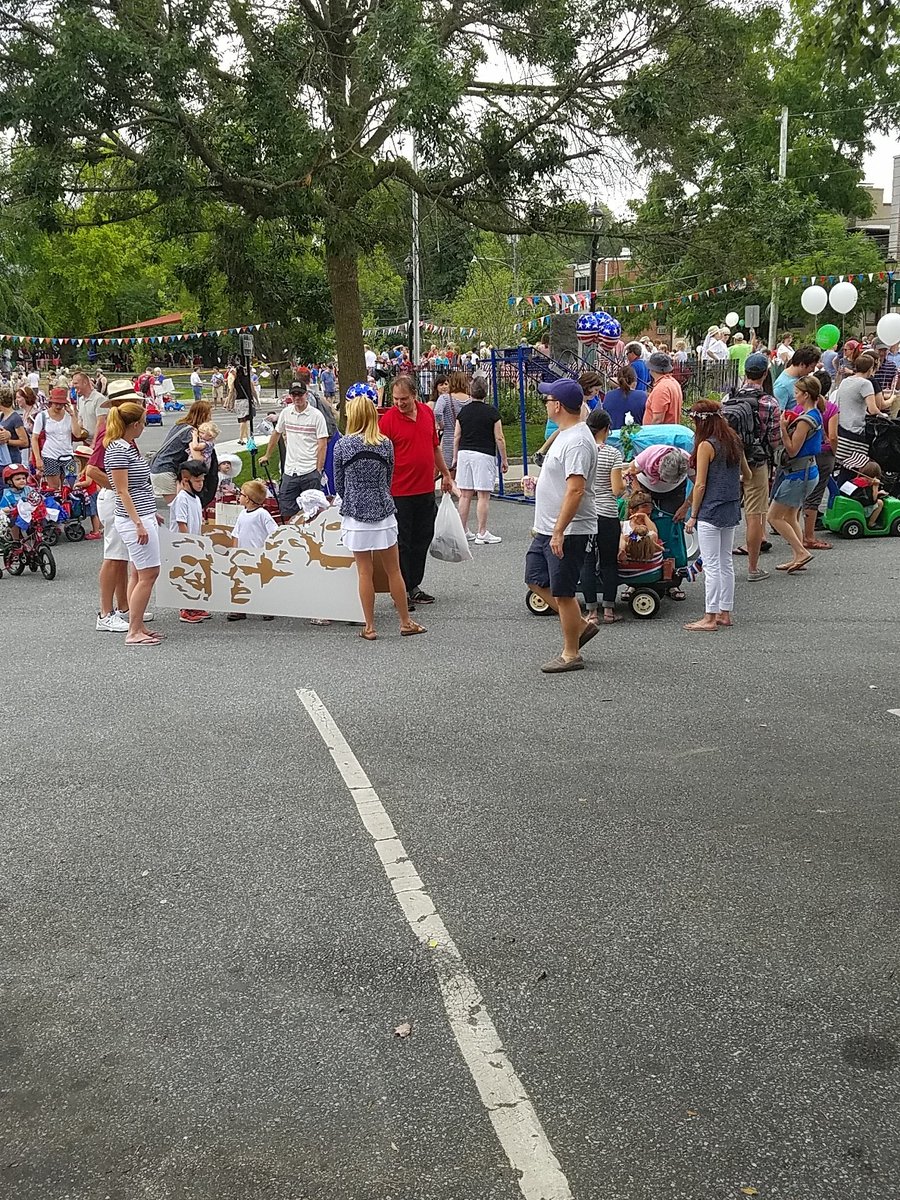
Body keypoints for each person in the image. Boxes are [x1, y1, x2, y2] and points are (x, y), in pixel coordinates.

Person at [333, 390, 425, 640]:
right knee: (394, 570)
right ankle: (405, 621)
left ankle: (370, 627)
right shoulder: (385, 443)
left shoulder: (342, 445)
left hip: (355, 512)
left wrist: (353, 495)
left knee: (364, 571)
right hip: (383, 510)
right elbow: (388, 477)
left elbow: (338, 483)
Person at [524, 379, 599, 673]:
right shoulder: (565, 434)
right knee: (534, 577)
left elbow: (576, 490)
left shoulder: (578, 441)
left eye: (547, 399)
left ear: (557, 405)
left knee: (563, 592)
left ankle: (571, 653)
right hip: (548, 528)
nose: (545, 404)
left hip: (569, 530)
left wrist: (558, 530)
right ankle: (580, 625)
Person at [379, 375, 453, 609]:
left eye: (404, 399)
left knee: (422, 538)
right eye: (395, 399)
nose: (399, 403)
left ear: (414, 396)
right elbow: (381, 457)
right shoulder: (388, 421)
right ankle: (402, 590)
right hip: (399, 491)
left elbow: (434, 446)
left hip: (424, 488)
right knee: (402, 543)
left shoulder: (426, 413)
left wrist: (446, 474)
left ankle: (414, 585)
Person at [683, 401, 751, 631]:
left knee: (710, 564)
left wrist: (693, 514)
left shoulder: (706, 445)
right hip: (731, 507)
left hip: (710, 509)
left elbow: (700, 484)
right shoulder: (734, 440)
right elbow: (747, 473)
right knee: (725, 562)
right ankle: (725, 612)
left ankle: (709, 616)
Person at [103, 401, 161, 645]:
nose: (144, 428)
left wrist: (148, 513)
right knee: (149, 573)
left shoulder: (127, 447)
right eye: (143, 423)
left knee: (138, 572)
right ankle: (133, 631)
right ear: (135, 424)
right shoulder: (119, 450)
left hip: (141, 513)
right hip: (132, 518)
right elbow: (123, 490)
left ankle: (137, 624)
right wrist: (138, 522)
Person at [726, 352, 781, 580]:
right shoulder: (769, 403)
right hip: (757, 462)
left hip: (731, 461)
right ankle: (753, 567)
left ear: (745, 373)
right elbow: (775, 440)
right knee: (754, 515)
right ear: (765, 373)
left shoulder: (729, 399)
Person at [767, 374, 824, 573]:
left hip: (798, 473)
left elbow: (792, 449)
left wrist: (783, 428)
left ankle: (801, 552)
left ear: (806, 395)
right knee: (791, 516)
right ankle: (797, 556)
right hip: (808, 470)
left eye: (797, 393)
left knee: (773, 517)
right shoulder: (816, 414)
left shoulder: (805, 420)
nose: (795, 396)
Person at [259, 382, 328, 518]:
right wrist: (267, 455)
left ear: (306, 395)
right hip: (290, 470)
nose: (297, 398)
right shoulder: (286, 413)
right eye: (294, 394)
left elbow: (322, 444)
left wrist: (318, 470)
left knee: (313, 513)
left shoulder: (316, 416)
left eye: (300, 394)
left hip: (310, 470)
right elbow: (276, 433)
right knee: (286, 509)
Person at [582, 408, 625, 624]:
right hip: (607, 513)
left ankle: (590, 612)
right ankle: (608, 609)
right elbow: (617, 489)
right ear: (607, 429)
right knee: (609, 562)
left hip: (586, 514)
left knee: (587, 561)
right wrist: (624, 483)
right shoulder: (613, 454)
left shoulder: (581, 450)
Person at [454, 378, 507, 544]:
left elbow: (457, 436)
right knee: (483, 495)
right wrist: (503, 458)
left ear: (471, 391)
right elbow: (499, 437)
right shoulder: (492, 412)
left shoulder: (463, 412)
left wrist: (455, 456)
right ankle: (482, 532)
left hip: (464, 453)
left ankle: (462, 530)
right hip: (483, 454)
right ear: (486, 392)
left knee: (464, 494)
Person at [795, 369, 838, 552]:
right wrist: (835, 454)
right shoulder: (831, 409)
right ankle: (809, 536)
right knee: (815, 495)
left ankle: (795, 532)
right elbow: (833, 436)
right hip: (823, 454)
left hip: (801, 456)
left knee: (799, 495)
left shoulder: (798, 409)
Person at [169, 460, 211, 624]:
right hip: (183, 544)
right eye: (197, 481)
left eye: (202, 480)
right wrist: (189, 543)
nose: (201, 484)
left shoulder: (195, 498)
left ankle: (193, 605)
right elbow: (181, 523)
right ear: (186, 481)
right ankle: (185, 609)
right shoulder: (182, 499)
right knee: (185, 576)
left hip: (194, 543)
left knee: (195, 575)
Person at [149, 400, 214, 504]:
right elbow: (197, 458)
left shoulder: (180, 425)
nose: (210, 419)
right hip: (166, 470)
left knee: (182, 505)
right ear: (203, 415)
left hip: (160, 468)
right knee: (178, 507)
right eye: (210, 415)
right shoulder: (191, 432)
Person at [833, 352, 888, 473]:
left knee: (845, 467)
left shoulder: (846, 381)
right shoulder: (865, 383)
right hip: (854, 432)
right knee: (858, 468)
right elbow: (873, 409)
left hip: (841, 428)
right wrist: (884, 415)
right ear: (870, 369)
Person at [32, 387, 85, 491]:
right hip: (50, 455)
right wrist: (38, 458)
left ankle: (69, 505)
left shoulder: (68, 416)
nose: (58, 406)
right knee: (54, 488)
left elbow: (77, 434)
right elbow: (34, 438)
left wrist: (73, 415)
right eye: (56, 403)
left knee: (71, 486)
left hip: (68, 455)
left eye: (61, 404)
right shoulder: (42, 416)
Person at [433, 370, 470, 471]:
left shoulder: (445, 398)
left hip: (449, 438)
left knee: (448, 474)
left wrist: (441, 425)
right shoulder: (471, 400)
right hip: (467, 440)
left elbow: (437, 412)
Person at [773, 345, 819, 409]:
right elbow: (778, 414)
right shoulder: (782, 386)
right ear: (802, 364)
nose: (813, 370)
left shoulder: (801, 377)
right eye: (811, 367)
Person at [645, 353, 683, 425]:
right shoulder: (673, 382)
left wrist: (649, 435)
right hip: (670, 431)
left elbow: (657, 420)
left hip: (660, 435)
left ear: (651, 369)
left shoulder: (661, 388)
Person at [72, 369, 105, 441]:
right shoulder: (81, 400)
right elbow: (81, 422)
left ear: (85, 383)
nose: (73, 386)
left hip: (99, 442)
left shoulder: (99, 399)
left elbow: (101, 423)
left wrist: (94, 443)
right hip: (86, 441)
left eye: (76, 383)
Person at [850, 461, 886, 529]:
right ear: (875, 476)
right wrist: (876, 486)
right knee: (880, 503)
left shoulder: (855, 480)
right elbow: (873, 501)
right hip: (860, 508)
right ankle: (871, 523)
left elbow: (862, 495)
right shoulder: (865, 484)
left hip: (852, 505)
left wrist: (877, 493)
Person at [0, 387, 28, 465]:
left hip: (12, 458)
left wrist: (7, 441)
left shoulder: (15, 418)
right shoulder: (2, 416)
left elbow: (24, 442)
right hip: (4, 457)